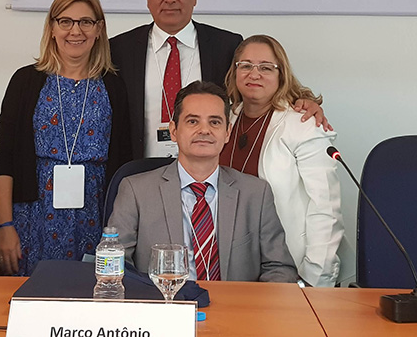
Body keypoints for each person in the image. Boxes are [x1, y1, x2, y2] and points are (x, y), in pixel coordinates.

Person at [110, 0, 329, 160]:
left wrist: (299, 102)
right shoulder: (119, 49)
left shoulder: (226, 45)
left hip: (209, 170)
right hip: (138, 171)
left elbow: (258, 90)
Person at [0, 0, 132, 276]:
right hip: (33, 217)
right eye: (65, 21)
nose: (75, 31)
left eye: (85, 22)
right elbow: (4, 157)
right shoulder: (25, 81)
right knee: (30, 294)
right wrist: (4, 226)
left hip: (96, 216)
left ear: (99, 30)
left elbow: (125, 160)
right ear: (52, 28)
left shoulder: (115, 86)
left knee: (93, 293)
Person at [108, 80, 298, 283]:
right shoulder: (136, 191)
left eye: (215, 122)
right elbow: (114, 267)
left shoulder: (256, 193)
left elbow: (279, 268)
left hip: (236, 303)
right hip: (164, 301)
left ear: (227, 132)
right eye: (192, 121)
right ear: (174, 130)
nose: (204, 130)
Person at [219, 35, 345, 287]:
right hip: (229, 266)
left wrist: (314, 279)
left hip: (288, 267)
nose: (254, 74)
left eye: (266, 67)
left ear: (281, 75)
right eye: (246, 65)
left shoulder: (304, 125)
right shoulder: (224, 118)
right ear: (234, 72)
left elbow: (325, 209)